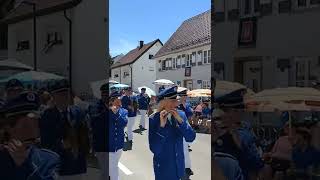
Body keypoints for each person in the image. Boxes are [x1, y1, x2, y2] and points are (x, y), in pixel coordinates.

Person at [0, 91, 60, 180]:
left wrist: (24, 165)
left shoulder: (49, 160)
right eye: (26, 124)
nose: (34, 129)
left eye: (36, 122)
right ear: (8, 128)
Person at [40, 80, 89, 180]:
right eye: (60, 94)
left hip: (77, 166)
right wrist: (61, 144)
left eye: (66, 93)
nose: (64, 96)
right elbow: (45, 143)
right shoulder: (47, 116)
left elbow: (85, 135)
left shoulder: (78, 112)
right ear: (53, 96)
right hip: (59, 168)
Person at [149, 86, 196, 180]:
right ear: (165, 102)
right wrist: (162, 126)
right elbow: (155, 149)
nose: (177, 103)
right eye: (173, 100)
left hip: (179, 167)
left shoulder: (181, 114)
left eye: (176, 100)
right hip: (163, 168)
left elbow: (191, 138)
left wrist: (181, 121)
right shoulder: (153, 119)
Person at [87, 83, 109, 180]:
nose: (107, 97)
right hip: (101, 144)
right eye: (105, 95)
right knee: (105, 170)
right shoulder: (95, 106)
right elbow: (95, 121)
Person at [109, 91, 128, 180]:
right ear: (112, 101)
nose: (119, 101)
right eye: (116, 100)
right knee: (113, 167)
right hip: (109, 145)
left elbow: (124, 123)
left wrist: (116, 113)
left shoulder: (124, 111)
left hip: (119, 144)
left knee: (113, 166)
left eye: (119, 100)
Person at [177, 89, 194, 176]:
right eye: (183, 96)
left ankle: (187, 168)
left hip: (186, 129)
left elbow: (190, 115)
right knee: (182, 150)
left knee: (185, 150)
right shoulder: (177, 106)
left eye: (185, 96)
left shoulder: (187, 105)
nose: (184, 97)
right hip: (178, 130)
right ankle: (185, 167)